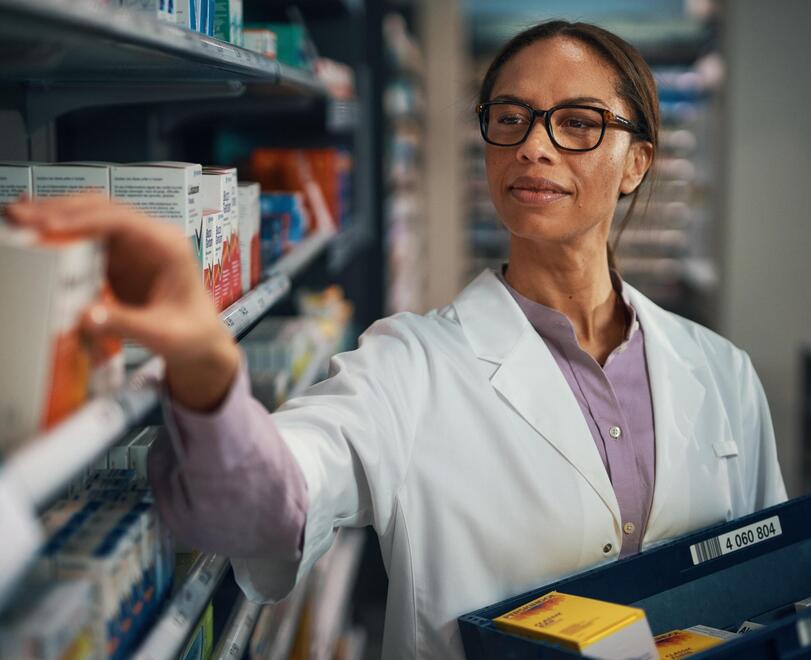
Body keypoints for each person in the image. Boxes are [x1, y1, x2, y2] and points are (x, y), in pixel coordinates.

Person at [6, 20, 786, 660]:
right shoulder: (409, 364)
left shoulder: (719, 373)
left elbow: (768, 583)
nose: (533, 146)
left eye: (578, 123)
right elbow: (258, 514)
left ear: (635, 163)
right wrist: (208, 382)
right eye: (509, 118)